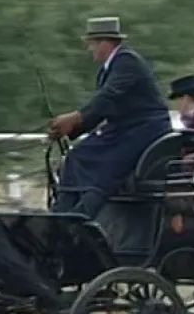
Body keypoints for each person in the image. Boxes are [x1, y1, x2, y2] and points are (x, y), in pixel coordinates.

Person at [47, 17, 172, 218]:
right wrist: (70, 129)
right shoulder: (108, 69)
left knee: (104, 165)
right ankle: (63, 209)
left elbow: (108, 97)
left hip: (144, 130)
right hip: (124, 129)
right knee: (75, 156)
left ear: (105, 42)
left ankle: (83, 214)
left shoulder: (127, 61)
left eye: (92, 43)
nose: (90, 49)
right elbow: (102, 110)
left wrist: (75, 117)